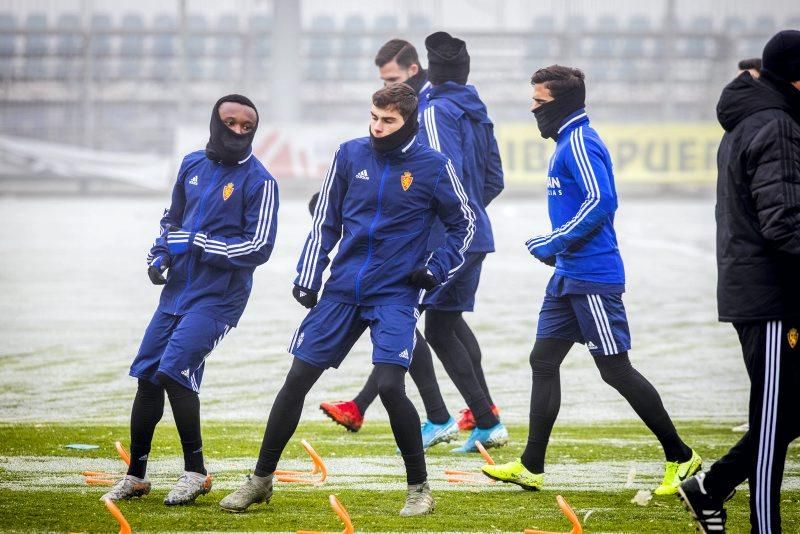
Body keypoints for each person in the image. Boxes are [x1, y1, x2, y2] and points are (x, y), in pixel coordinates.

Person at [220, 83, 474, 517]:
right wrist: (309, 273)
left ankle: (419, 489)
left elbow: (463, 223)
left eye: (388, 121)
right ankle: (260, 480)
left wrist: (435, 268)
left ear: (408, 121)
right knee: (297, 380)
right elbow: (326, 220)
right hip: (342, 289)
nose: (378, 128)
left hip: (395, 292)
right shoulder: (348, 154)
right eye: (373, 118)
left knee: (392, 385)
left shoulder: (433, 166)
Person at [482, 65, 699, 495]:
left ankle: (681, 456)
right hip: (568, 277)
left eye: (539, 102)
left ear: (560, 104)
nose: (533, 108)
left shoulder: (580, 141)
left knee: (615, 370)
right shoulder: (566, 140)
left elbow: (603, 200)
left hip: (592, 276)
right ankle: (531, 465)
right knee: (543, 360)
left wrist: (555, 241)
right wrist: (559, 250)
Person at [101, 95, 279, 506]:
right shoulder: (191, 164)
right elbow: (172, 221)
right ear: (214, 123)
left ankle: (196, 472)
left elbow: (259, 247)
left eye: (246, 127)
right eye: (230, 123)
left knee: (174, 371)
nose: (237, 131)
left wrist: (199, 244)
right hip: (176, 292)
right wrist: (159, 256)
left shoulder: (261, 181)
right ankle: (136, 476)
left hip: (218, 299)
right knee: (148, 375)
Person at [678, 30, 800, 534]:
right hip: (772, 298)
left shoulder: (764, 120)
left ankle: (712, 486)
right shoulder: (773, 125)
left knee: (788, 413)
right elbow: (785, 222)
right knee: (774, 423)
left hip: (769, 292)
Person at [319, 39, 456, 449]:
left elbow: (448, 184)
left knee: (434, 331)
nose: (377, 126)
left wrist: (432, 247)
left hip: (429, 246)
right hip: (405, 248)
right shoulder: (405, 114)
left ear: (414, 72)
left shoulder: (431, 113)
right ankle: (436, 414)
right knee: (408, 330)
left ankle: (463, 416)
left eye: (392, 79)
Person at [418, 31, 507, 453]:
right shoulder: (477, 110)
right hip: (476, 233)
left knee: (405, 317)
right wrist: (472, 210)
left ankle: (441, 418)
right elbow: (495, 179)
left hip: (448, 238)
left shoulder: (435, 111)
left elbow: (439, 172)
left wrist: (452, 217)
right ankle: (485, 420)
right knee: (443, 322)